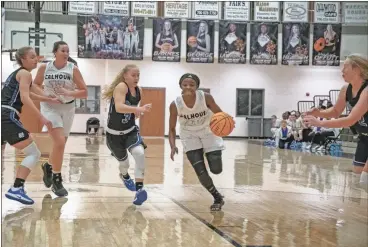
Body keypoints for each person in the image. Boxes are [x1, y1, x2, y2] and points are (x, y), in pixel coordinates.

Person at [1, 47, 59, 204]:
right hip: (7, 116)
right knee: (34, 153)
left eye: (36, 57)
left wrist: (49, 99)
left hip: (2, 114)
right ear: (23, 60)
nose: (36, 59)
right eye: (32, 57)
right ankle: (17, 188)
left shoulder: (19, 75)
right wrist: (42, 118)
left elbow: (31, 92)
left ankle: (16, 188)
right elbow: (26, 98)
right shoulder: (25, 73)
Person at [33, 41, 88, 197]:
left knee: (60, 145)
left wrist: (69, 92)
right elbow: (35, 85)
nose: (66, 53)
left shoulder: (73, 69)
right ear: (55, 52)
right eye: (63, 50)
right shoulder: (45, 67)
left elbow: (84, 92)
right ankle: (57, 179)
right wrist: (45, 95)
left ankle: (48, 166)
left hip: (68, 107)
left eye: (68, 50)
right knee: (59, 142)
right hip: (49, 106)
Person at [304, 54, 368, 186]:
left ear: (356, 69)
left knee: (365, 178)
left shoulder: (366, 90)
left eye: (345, 67)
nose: (342, 71)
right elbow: (335, 111)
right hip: (364, 137)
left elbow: (350, 120)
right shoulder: (346, 90)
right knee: (358, 171)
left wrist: (320, 123)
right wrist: (319, 113)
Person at [169, 73, 226, 211]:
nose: (188, 87)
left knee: (216, 170)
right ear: (180, 86)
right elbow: (171, 128)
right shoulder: (175, 104)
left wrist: (226, 124)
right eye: (185, 84)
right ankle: (217, 197)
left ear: (197, 86)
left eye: (192, 85)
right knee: (200, 171)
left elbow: (220, 114)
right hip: (189, 135)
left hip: (208, 132)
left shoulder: (206, 97)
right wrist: (172, 146)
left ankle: (210, 154)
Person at [102, 64, 151, 206]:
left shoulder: (139, 90)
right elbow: (119, 107)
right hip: (114, 135)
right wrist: (138, 109)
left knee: (139, 153)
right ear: (125, 76)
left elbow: (133, 113)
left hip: (130, 131)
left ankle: (139, 191)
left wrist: (137, 112)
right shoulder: (121, 87)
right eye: (133, 75)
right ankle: (124, 176)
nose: (136, 78)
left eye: (138, 75)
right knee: (124, 163)